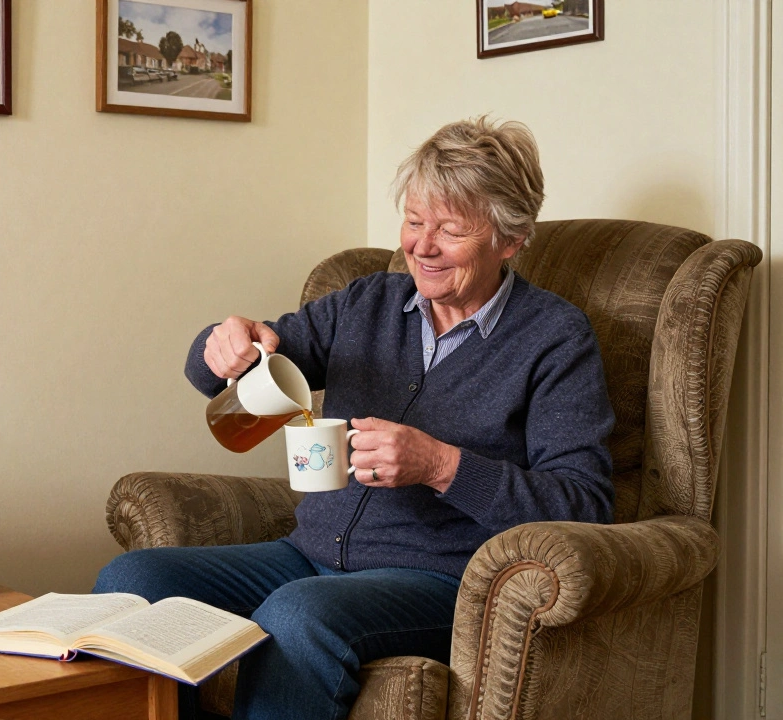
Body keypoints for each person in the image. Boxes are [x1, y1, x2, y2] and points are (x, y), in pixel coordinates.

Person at [93, 116, 615, 720]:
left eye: (449, 230)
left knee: (298, 613)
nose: (421, 246)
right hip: (305, 553)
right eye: (415, 222)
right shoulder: (367, 302)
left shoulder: (554, 338)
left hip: (439, 581)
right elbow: (230, 372)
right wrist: (223, 344)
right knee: (132, 581)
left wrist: (441, 465)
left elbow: (584, 505)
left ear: (510, 238)